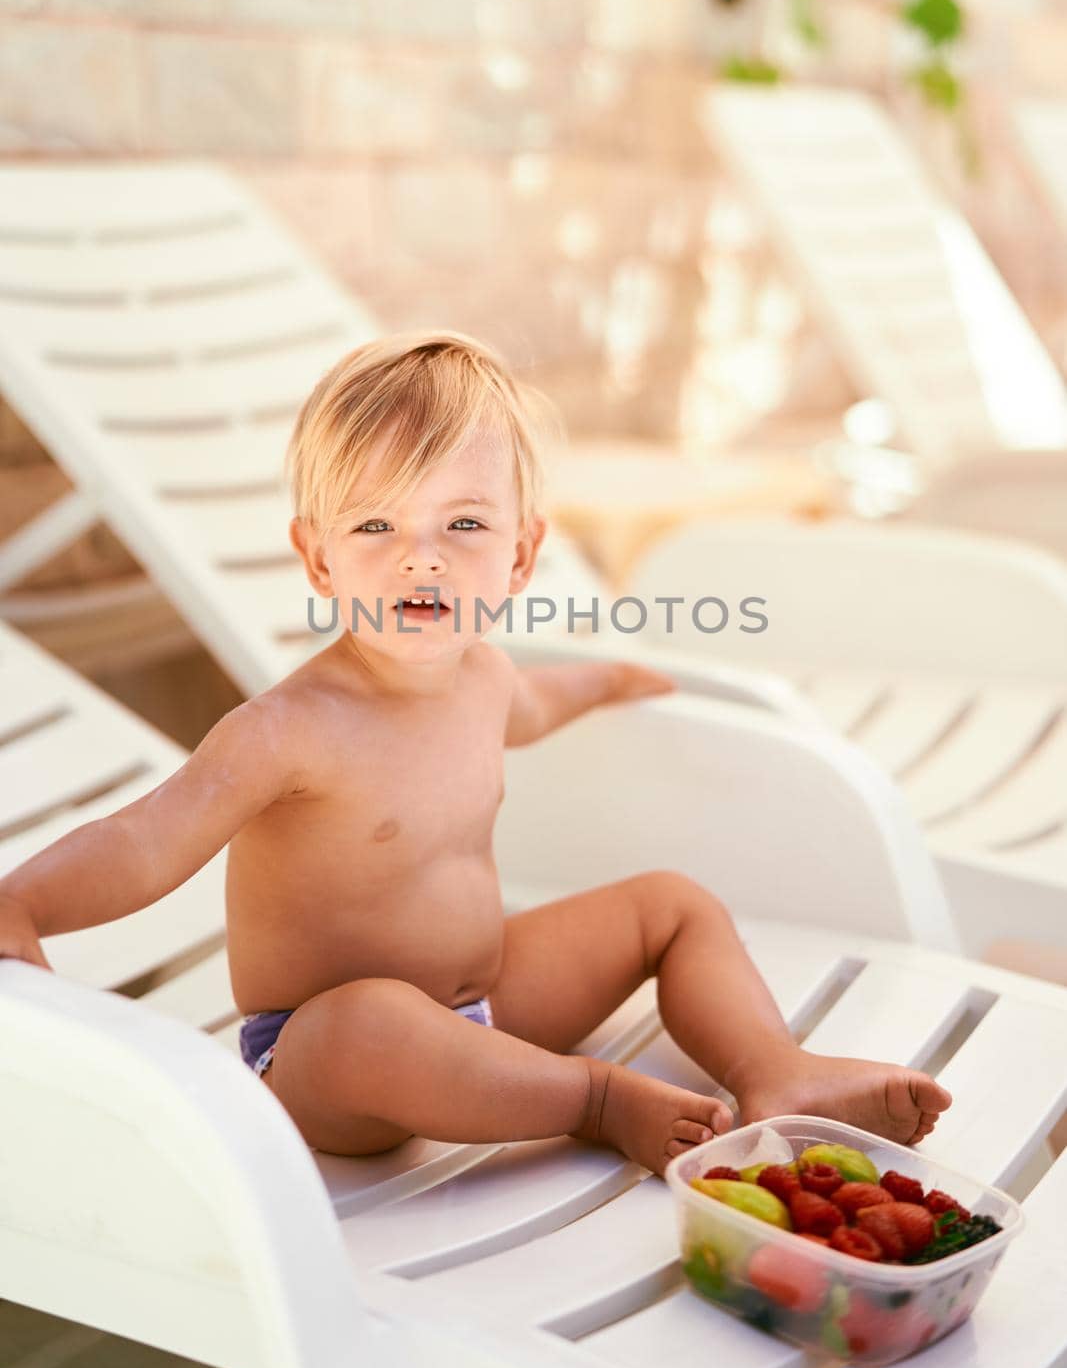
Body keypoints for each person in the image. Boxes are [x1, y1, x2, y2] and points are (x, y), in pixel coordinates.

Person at [0, 331, 950, 1177]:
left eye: (462, 524)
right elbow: (147, 838)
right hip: (327, 1056)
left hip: (487, 1002)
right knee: (369, 1018)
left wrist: (613, 680)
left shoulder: (486, 676)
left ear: (520, 557)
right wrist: (25, 902)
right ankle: (591, 1099)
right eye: (376, 525)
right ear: (320, 558)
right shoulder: (290, 729)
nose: (422, 558)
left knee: (671, 904)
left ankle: (775, 1073)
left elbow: (536, 703)